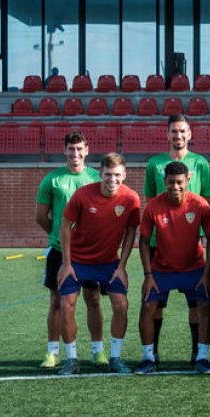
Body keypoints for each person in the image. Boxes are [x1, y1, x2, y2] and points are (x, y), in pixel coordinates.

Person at [54, 152, 141, 375]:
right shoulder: (83, 195)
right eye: (108, 174)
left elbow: (131, 231)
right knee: (66, 305)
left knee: (121, 305)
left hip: (108, 262)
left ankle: (115, 357)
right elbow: (65, 225)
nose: (113, 180)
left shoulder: (131, 198)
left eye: (117, 175)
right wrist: (66, 263)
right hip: (78, 261)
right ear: (100, 173)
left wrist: (121, 266)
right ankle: (72, 360)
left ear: (125, 175)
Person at [142, 114, 210, 365]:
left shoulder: (201, 163)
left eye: (183, 131)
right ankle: (153, 353)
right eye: (174, 131)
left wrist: (201, 234)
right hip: (157, 242)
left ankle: (198, 352)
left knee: (196, 303)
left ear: (190, 134)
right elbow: (151, 201)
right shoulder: (154, 164)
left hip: (190, 241)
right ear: (167, 134)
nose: (178, 136)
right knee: (155, 303)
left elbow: (208, 200)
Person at [35, 132, 105, 370]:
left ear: (87, 150)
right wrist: (57, 235)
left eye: (79, 149)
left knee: (93, 299)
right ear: (64, 150)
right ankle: (53, 352)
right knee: (57, 301)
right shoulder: (52, 180)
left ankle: (98, 351)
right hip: (59, 250)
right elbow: (41, 216)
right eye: (71, 149)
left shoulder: (97, 177)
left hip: (90, 251)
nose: (75, 154)